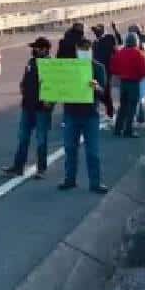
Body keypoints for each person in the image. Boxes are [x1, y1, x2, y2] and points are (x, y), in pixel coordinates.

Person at [59, 38, 109, 194]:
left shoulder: (98, 68)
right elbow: (60, 86)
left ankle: (95, 182)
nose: (83, 52)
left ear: (91, 50)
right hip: (71, 113)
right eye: (81, 49)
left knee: (93, 152)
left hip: (90, 115)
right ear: (76, 50)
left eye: (86, 49)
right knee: (69, 149)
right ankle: (69, 179)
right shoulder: (69, 67)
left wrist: (96, 87)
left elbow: (103, 94)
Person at [2, 37, 55, 179]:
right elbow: (25, 79)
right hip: (27, 106)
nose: (34, 50)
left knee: (41, 140)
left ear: (44, 49)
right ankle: (18, 166)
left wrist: (50, 102)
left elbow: (56, 86)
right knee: (23, 138)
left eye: (36, 48)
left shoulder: (51, 64)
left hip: (42, 108)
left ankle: (41, 169)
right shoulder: (31, 62)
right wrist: (22, 87)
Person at [110, 32, 145, 138]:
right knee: (132, 107)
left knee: (122, 107)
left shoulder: (119, 53)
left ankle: (118, 129)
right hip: (134, 83)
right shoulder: (139, 54)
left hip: (123, 82)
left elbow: (114, 69)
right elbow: (144, 71)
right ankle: (128, 130)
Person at [92, 22, 122, 118]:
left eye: (98, 30)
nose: (97, 32)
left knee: (106, 91)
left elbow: (119, 41)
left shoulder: (109, 38)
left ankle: (110, 112)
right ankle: (109, 108)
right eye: (96, 31)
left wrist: (115, 29)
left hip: (107, 70)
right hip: (96, 70)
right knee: (98, 92)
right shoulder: (94, 43)